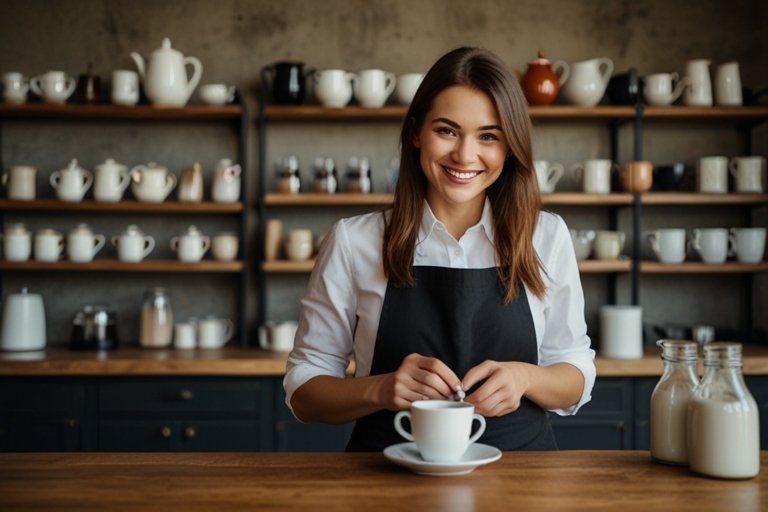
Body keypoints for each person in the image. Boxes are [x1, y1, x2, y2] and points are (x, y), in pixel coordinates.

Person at [284, 46, 596, 451]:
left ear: (509, 146)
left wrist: (527, 379)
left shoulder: (546, 236)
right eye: (446, 130)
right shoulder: (354, 241)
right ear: (416, 132)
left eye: (488, 136)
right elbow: (305, 390)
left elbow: (576, 374)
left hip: (523, 480)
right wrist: (379, 389)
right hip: (385, 479)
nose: (465, 155)